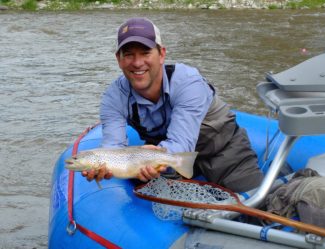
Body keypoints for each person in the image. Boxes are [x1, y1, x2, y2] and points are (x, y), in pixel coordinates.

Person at [83, 17, 263, 193]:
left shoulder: (188, 83)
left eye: (145, 53)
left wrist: (151, 157)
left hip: (223, 151)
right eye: (129, 54)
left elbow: (181, 143)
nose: (137, 63)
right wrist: (103, 165)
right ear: (119, 59)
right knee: (158, 204)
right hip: (166, 161)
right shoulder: (113, 97)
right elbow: (113, 148)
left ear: (161, 54)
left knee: (258, 206)